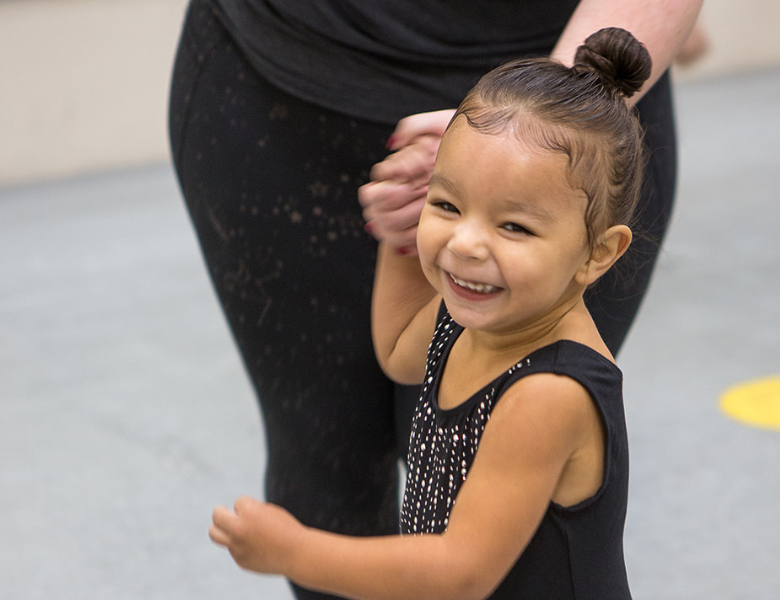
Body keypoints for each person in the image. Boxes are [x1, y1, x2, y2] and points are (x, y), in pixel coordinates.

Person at [170, 2, 701, 598]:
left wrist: (294, 551)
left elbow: (459, 574)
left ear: (599, 253)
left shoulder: (548, 394)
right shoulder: (484, 318)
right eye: (448, 206)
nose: (466, 244)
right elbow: (399, 351)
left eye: (515, 228)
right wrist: (403, 231)